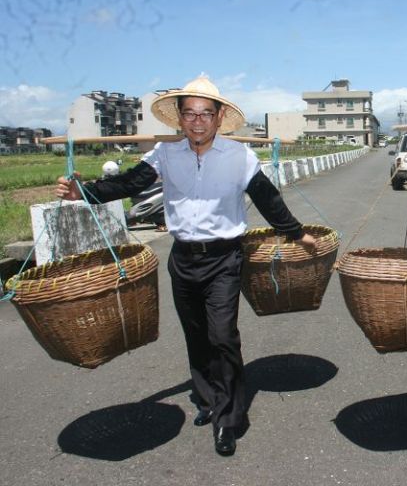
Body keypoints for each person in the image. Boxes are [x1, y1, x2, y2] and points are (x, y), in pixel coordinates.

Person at [55, 75, 317, 457]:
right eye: (190, 114)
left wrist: (296, 233)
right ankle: (209, 400)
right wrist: (85, 192)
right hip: (183, 259)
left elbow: (267, 197)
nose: (197, 121)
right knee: (196, 336)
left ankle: (228, 419)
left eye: (205, 113)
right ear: (180, 118)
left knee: (223, 335)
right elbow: (129, 184)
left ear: (219, 116)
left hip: (225, 257)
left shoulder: (239, 156)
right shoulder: (164, 154)